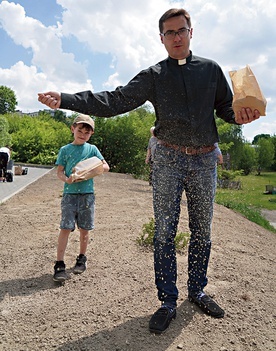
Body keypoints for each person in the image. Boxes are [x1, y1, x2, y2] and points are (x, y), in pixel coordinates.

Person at [38, 8, 261, 332]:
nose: (176, 37)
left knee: (203, 231)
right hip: (168, 161)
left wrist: (240, 116)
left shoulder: (211, 71)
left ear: (190, 32)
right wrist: (67, 99)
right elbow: (114, 100)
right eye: (169, 33)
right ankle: (167, 300)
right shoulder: (155, 75)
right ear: (161, 38)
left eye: (181, 30)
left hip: (203, 162)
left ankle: (197, 289)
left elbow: (226, 110)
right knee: (164, 233)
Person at [53, 114, 110, 282]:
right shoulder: (65, 150)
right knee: (65, 228)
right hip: (69, 195)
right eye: (80, 130)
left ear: (91, 134)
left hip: (87, 195)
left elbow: (105, 166)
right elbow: (59, 172)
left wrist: (90, 171)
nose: (83, 134)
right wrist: (67, 179)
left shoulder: (92, 149)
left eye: (87, 132)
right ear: (73, 129)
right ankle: (59, 264)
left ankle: (81, 258)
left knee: (84, 230)